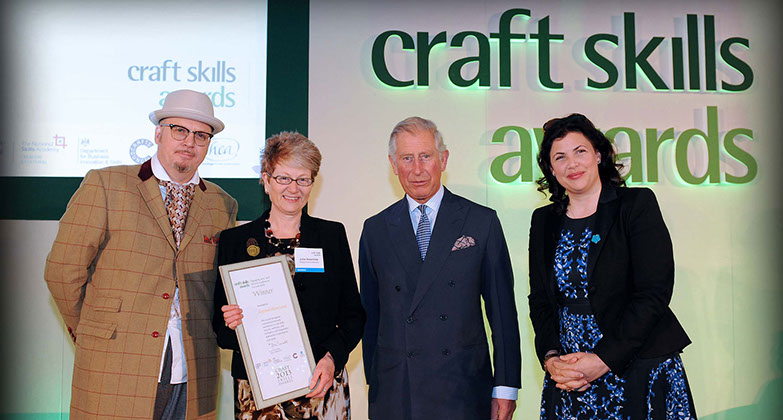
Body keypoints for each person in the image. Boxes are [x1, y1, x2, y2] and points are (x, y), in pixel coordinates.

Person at [45, 89, 238, 419]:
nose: (189, 142)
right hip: (114, 364)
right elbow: (62, 271)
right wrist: (94, 329)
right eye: (179, 130)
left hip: (194, 370)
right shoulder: (106, 184)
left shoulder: (223, 204)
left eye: (201, 135)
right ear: (158, 133)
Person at [528, 113, 697, 419]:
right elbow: (540, 299)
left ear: (598, 154)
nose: (572, 164)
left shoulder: (636, 205)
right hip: (571, 376)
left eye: (580, 151)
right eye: (560, 157)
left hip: (637, 363)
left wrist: (603, 359)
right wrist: (551, 359)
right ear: (551, 169)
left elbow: (653, 293)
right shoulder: (543, 221)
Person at [359, 117, 521, 420]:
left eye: (426, 156)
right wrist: (376, 382)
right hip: (397, 392)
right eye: (407, 158)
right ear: (393, 165)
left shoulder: (481, 222)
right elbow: (370, 317)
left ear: (443, 159)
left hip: (462, 388)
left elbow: (502, 313)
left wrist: (506, 386)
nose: (417, 169)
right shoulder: (375, 229)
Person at [213, 132, 365, 419]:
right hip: (258, 393)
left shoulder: (331, 236)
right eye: (283, 178)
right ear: (266, 180)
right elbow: (220, 329)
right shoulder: (235, 241)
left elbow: (353, 316)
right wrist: (232, 323)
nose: (293, 188)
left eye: (303, 179)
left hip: (321, 385)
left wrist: (331, 357)